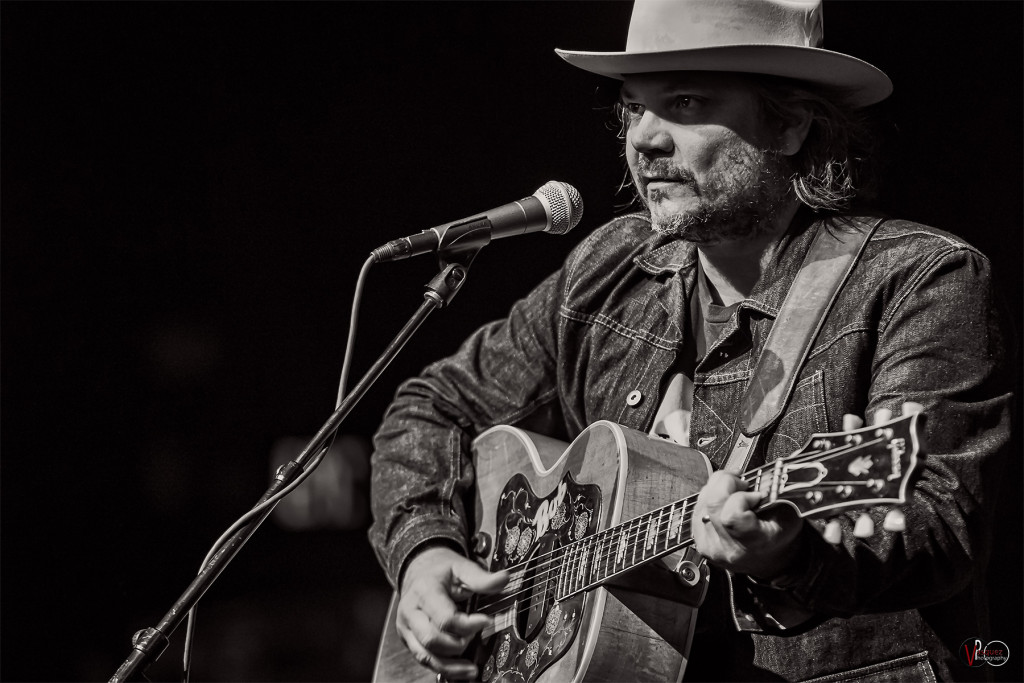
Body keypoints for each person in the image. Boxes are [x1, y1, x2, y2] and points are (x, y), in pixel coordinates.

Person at [368, 0, 1013, 680]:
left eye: (682, 102)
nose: (642, 139)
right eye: (632, 108)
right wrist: (425, 555)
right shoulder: (608, 268)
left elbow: (942, 525)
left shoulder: (917, 278)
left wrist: (789, 557)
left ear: (791, 123)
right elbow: (429, 408)